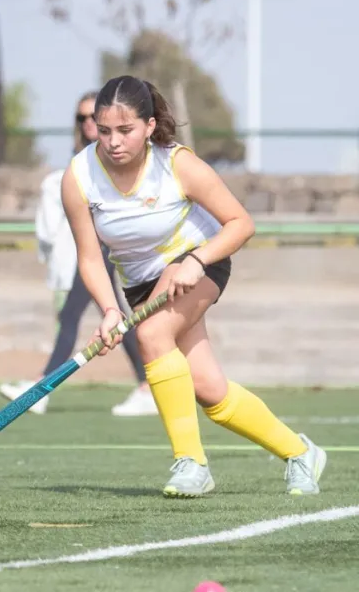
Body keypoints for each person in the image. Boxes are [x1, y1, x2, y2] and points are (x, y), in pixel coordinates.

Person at [63, 75, 326, 497]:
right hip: (139, 285)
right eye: (105, 130)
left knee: (152, 334)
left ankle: (191, 463)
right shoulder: (79, 175)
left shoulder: (176, 163)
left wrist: (196, 261)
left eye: (126, 130)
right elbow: (90, 256)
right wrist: (110, 310)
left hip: (199, 262)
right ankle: (300, 452)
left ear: (149, 125)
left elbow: (241, 223)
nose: (113, 142)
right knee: (208, 390)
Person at [0, 92, 156, 417]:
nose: (87, 124)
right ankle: (147, 386)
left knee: (73, 315)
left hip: (106, 247)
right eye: (81, 118)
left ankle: (41, 388)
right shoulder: (81, 159)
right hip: (89, 249)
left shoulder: (114, 156)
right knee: (112, 316)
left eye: (92, 117)